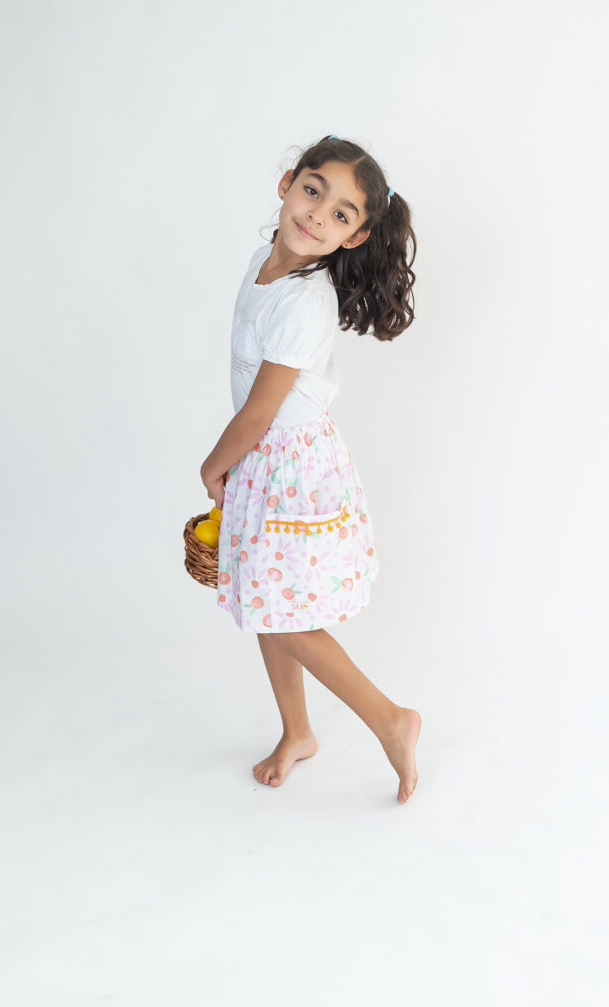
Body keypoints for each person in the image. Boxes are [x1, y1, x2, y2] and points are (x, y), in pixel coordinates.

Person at [199, 134, 421, 803]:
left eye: (342, 214)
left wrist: (215, 465)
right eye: (314, 190)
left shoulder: (302, 302)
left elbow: (262, 412)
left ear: (353, 238)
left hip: (288, 468)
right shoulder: (263, 265)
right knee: (266, 601)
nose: (319, 213)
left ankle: (390, 718)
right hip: (264, 459)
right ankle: (298, 730)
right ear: (288, 182)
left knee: (285, 611)